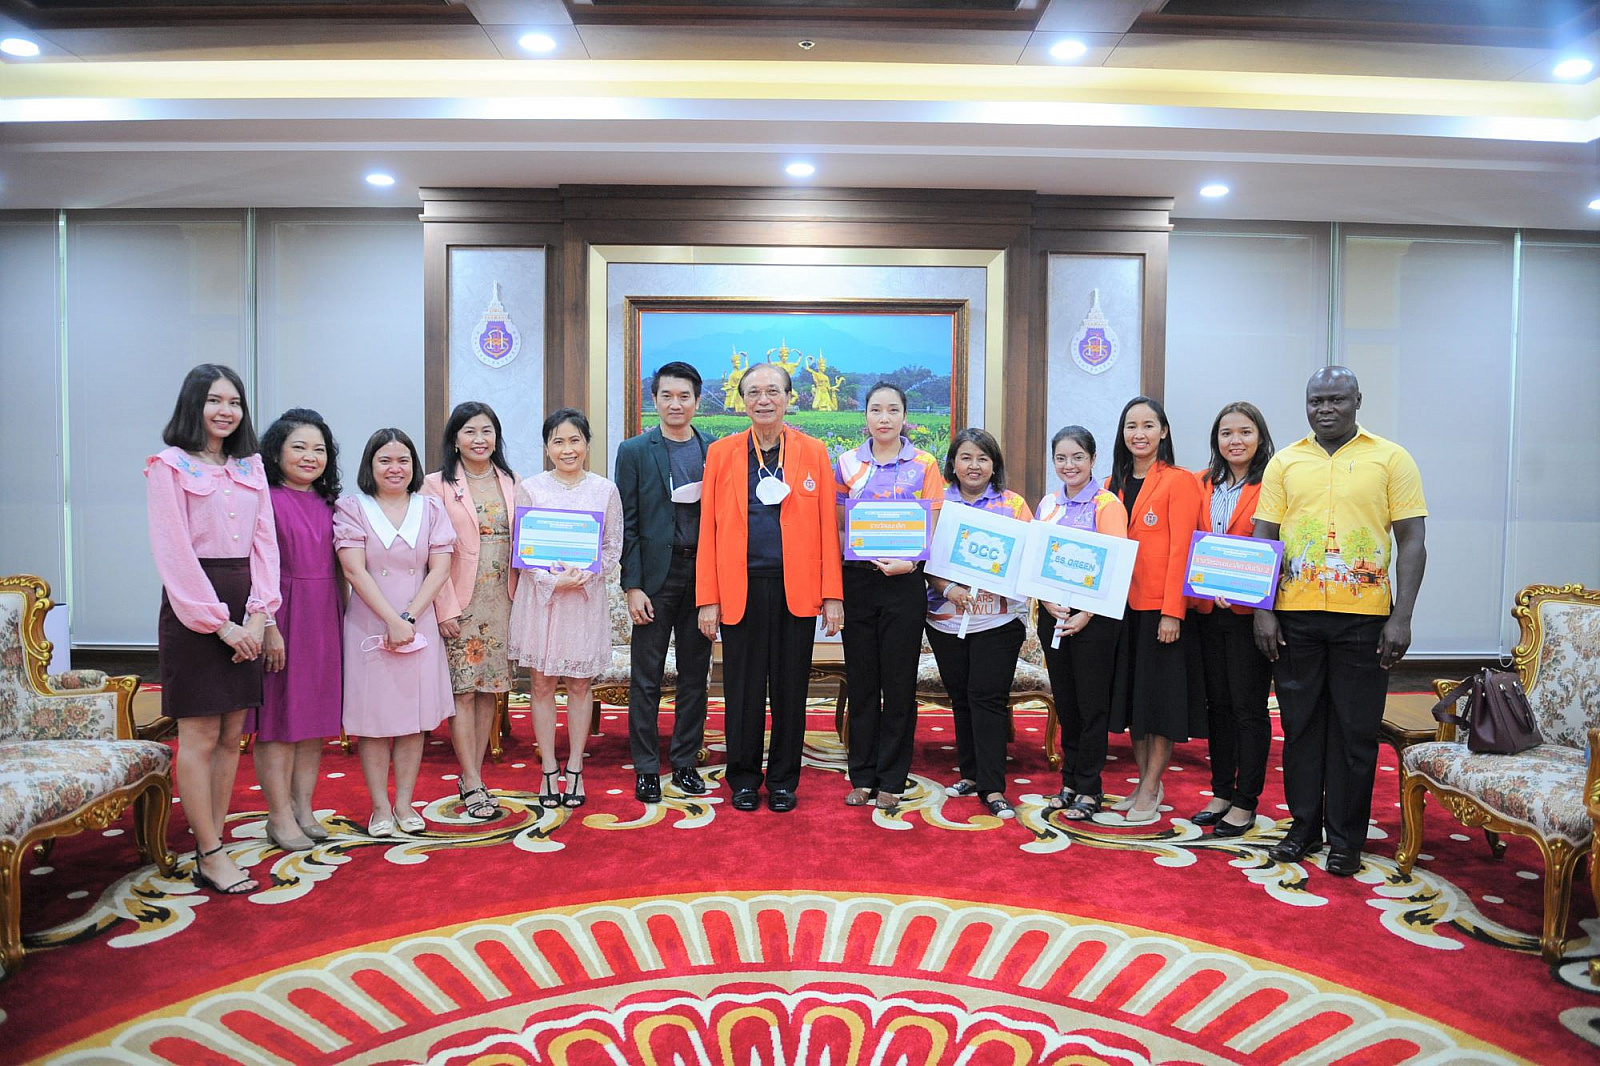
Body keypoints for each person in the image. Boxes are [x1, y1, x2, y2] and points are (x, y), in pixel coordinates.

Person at [1253, 367, 1427, 875]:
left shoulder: (1391, 459)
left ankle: (1347, 837)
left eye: (1336, 400)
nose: (1325, 409)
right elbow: (1264, 538)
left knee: (1355, 731)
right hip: (1295, 616)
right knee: (1300, 727)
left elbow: (1412, 540)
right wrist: (1262, 610)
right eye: (1316, 401)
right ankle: (1304, 827)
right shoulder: (1286, 462)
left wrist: (1402, 617)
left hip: (1365, 620)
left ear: (1357, 400)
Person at [146, 363, 280, 895]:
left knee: (231, 736)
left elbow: (265, 543)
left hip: (246, 602)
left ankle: (214, 839)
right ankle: (208, 851)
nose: (226, 411)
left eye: (234, 402)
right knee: (200, 735)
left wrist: (258, 616)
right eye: (214, 400)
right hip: (195, 608)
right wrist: (222, 626)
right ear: (193, 404)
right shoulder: (168, 466)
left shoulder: (250, 466)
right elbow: (174, 554)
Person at [697, 362, 844, 813]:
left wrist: (833, 594)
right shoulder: (722, 453)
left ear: (789, 398)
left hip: (795, 590)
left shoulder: (813, 451)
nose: (764, 400)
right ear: (743, 401)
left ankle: (782, 780)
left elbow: (827, 526)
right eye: (754, 392)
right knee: (741, 691)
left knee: (790, 690)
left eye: (773, 391)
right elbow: (708, 530)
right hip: (739, 588)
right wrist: (708, 599)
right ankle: (743, 778)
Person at [335, 428, 457, 837]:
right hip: (369, 624)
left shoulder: (430, 508)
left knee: (412, 718)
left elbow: (439, 569)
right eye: (385, 460)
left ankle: (405, 803)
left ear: (413, 465)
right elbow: (354, 570)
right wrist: (391, 620)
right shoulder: (353, 508)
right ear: (370, 465)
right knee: (373, 721)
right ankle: (380, 808)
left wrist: (408, 618)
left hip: (418, 624)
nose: (395, 468)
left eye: (403, 460)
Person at [835, 381, 945, 813]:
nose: (884, 418)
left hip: (904, 585)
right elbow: (838, 526)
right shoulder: (847, 463)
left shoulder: (924, 464)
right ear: (865, 415)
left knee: (899, 685)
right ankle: (862, 776)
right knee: (863, 683)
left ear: (904, 416)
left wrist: (913, 563)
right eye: (876, 410)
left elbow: (933, 525)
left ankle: (892, 778)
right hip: (858, 583)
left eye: (893, 410)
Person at [507, 408, 624, 810]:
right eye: (558, 441)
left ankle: (575, 766)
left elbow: (612, 547)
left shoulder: (605, 490)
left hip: (583, 602)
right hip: (542, 601)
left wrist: (586, 575)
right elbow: (521, 548)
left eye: (575, 440)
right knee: (541, 686)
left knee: (579, 685)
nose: (567, 449)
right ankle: (548, 769)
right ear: (547, 448)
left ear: (587, 444)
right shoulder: (531, 488)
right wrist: (550, 580)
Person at [1104, 396, 1204, 826]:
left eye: (1148, 425)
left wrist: (1172, 612)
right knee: (1136, 703)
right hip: (1121, 609)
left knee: (1160, 703)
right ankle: (1145, 782)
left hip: (1159, 611)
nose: (1139, 434)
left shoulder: (1179, 481)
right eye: (1131, 426)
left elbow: (1183, 548)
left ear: (1163, 432)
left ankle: (1150, 786)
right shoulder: (1112, 483)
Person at [616, 362, 713, 804]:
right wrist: (632, 586)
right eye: (667, 396)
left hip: (702, 575)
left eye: (684, 396)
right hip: (656, 577)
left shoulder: (714, 451)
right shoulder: (634, 451)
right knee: (647, 676)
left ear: (697, 401)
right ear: (654, 400)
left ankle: (686, 761)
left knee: (696, 674)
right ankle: (647, 767)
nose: (676, 404)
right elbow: (628, 523)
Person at [925, 428, 1032, 819]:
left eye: (983, 458)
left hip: (997, 621)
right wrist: (949, 588)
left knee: (988, 699)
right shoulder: (937, 503)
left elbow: (1030, 558)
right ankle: (970, 775)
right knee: (962, 699)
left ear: (994, 465)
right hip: (945, 621)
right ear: (953, 463)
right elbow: (923, 558)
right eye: (966, 457)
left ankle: (993, 786)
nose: (974, 466)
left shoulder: (1013, 505)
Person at [251, 408, 344, 852]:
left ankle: (304, 807)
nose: (310, 457)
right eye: (299, 447)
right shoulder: (263, 499)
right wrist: (268, 625)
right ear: (276, 452)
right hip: (283, 613)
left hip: (325, 613)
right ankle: (278, 814)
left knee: (314, 719)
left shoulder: (332, 503)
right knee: (278, 720)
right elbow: (255, 568)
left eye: (319, 449)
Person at [423, 402, 518, 822]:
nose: (480, 439)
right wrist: (444, 608)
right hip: (459, 600)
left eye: (487, 431)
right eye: (470, 431)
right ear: (455, 439)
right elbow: (431, 554)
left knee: (488, 692)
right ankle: (473, 780)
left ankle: (473, 775)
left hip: (503, 600)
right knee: (463, 691)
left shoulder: (512, 481)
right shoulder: (435, 486)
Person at [1190, 402, 1276, 839]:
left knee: (1248, 709)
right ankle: (1221, 791)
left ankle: (1246, 801)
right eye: (1226, 433)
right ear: (1216, 440)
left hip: (1249, 615)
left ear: (1260, 437)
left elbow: (1279, 546)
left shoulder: (1273, 483)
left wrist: (1243, 588)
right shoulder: (1202, 483)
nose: (1235, 440)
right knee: (1217, 707)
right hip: (1207, 611)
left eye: (1245, 432)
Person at [1034, 425, 1128, 822]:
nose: (1068, 465)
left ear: (1092, 460)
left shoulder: (1107, 504)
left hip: (1094, 621)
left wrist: (1086, 613)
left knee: (1091, 707)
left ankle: (1090, 788)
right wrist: (1047, 601)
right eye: (1061, 458)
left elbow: (1116, 567)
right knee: (1067, 704)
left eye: (1077, 457)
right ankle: (1069, 782)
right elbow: (1036, 560)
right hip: (1054, 617)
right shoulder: (1048, 504)